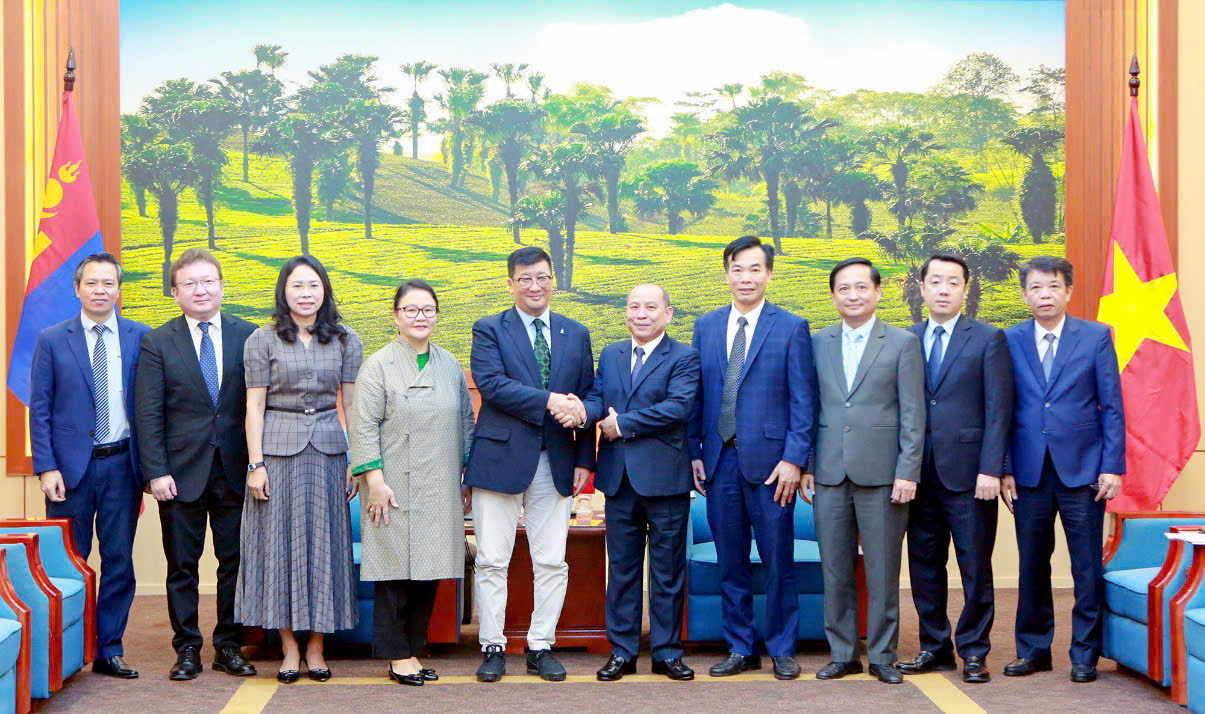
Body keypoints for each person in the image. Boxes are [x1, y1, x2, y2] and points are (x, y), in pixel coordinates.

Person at [463, 246, 596, 683]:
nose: (534, 286)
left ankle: (541, 645)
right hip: (499, 460)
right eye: (525, 279)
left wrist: (584, 455)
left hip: (555, 462)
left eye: (542, 277)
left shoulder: (576, 332)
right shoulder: (489, 329)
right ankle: (493, 645)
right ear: (511, 284)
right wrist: (552, 401)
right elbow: (493, 386)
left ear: (553, 280)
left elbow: (588, 396)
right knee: (492, 560)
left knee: (552, 560)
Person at [687, 235, 816, 681]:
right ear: (726, 274)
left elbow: (804, 400)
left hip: (774, 467)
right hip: (718, 460)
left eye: (755, 269)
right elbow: (697, 396)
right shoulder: (705, 326)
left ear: (769, 274)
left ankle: (782, 647)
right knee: (731, 561)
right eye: (737, 269)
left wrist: (795, 459)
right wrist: (695, 452)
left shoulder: (791, 327)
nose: (746, 277)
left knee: (779, 560)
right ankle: (740, 647)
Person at [236, 255, 364, 684]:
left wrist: (357, 460)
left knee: (326, 547)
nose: (306, 294)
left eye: (313, 285)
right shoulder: (262, 339)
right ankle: (289, 645)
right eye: (297, 286)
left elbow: (352, 405)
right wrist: (256, 464)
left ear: (324, 290)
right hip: (276, 454)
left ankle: (317, 646)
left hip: (329, 452)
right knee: (280, 547)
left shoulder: (346, 338)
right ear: (283, 292)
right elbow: (254, 406)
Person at [135, 248, 259, 681]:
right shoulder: (157, 342)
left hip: (236, 471)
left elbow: (259, 406)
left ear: (222, 286)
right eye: (189, 283)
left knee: (234, 564)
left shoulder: (249, 335)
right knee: (182, 567)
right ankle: (186, 647)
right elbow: (148, 412)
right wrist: (156, 471)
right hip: (179, 474)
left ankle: (228, 645)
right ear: (175, 292)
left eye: (208, 281)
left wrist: (259, 465)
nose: (200, 290)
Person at [1001, 256, 1124, 684]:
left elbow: (1112, 406)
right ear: (1024, 294)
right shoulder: (1010, 339)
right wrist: (1005, 467)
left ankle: (1085, 654)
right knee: (1032, 564)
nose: (1045, 295)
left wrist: (1112, 466)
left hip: (1084, 471)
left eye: (1053, 287)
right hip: (1028, 471)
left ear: (1068, 291)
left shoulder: (1095, 337)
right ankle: (1033, 651)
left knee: (1085, 566)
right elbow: (1002, 409)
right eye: (1036, 288)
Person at [347, 280, 475, 687]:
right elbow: (363, 425)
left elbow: (465, 421)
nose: (420, 317)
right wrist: (375, 481)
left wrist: (466, 477)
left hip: (440, 483)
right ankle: (397, 655)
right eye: (411, 310)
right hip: (392, 484)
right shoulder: (378, 365)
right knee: (395, 571)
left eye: (428, 310)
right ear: (396, 316)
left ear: (436, 315)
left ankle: (413, 649)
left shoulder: (449, 364)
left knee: (430, 570)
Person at [805, 257, 925, 685]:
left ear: (877, 292)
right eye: (844, 288)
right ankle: (842, 654)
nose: (853, 295)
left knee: (882, 571)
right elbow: (809, 408)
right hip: (829, 473)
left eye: (861, 287)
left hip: (884, 475)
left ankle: (882, 655)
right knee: (835, 570)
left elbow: (913, 413)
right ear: (833, 295)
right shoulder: (817, 341)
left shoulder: (902, 343)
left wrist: (907, 471)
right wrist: (807, 465)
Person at [30, 253, 150, 679]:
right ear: (77, 288)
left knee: (119, 561)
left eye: (108, 283)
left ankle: (108, 649)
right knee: (68, 562)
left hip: (122, 466)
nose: (100, 290)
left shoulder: (141, 337)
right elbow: (39, 409)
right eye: (92, 283)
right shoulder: (52, 339)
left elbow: (151, 406)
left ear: (119, 290)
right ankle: (66, 652)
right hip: (68, 472)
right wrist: (46, 467)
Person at [896, 254, 1014, 684]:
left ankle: (975, 652)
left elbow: (999, 409)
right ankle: (935, 647)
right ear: (922, 288)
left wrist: (992, 469)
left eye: (953, 282)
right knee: (924, 564)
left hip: (970, 476)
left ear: (965, 289)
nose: (943, 289)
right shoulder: (906, 339)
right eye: (935, 281)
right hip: (918, 474)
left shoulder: (988, 338)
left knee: (975, 567)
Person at [584, 284, 701, 682]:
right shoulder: (611, 353)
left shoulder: (684, 356)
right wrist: (579, 409)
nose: (641, 314)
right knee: (622, 570)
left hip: (666, 480)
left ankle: (667, 653)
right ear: (626, 312)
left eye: (651, 307)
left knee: (667, 572)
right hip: (619, 480)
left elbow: (677, 408)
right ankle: (622, 652)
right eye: (634, 306)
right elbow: (598, 398)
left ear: (668, 314)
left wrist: (623, 424)